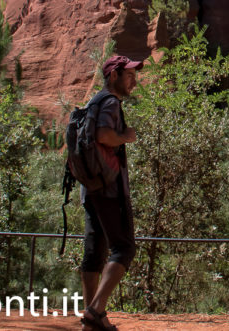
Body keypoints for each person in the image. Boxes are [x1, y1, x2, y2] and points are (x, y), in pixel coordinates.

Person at [79, 55, 141, 331]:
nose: (134, 79)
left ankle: (93, 317)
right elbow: (104, 135)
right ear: (113, 75)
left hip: (90, 187)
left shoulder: (94, 101)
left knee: (95, 251)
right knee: (124, 248)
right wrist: (126, 136)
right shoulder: (111, 102)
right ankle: (95, 310)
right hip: (109, 187)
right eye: (129, 74)